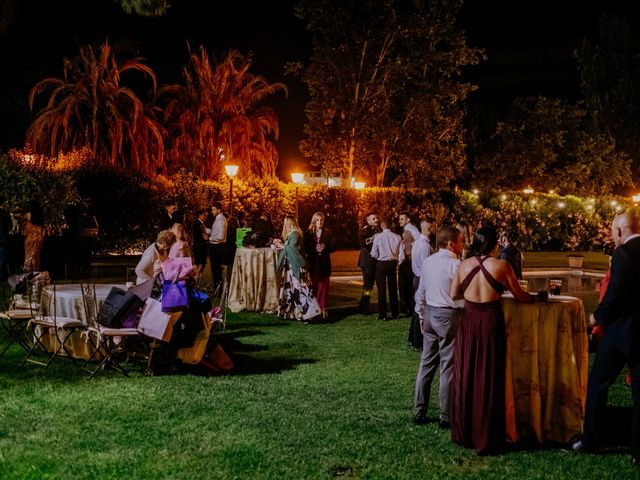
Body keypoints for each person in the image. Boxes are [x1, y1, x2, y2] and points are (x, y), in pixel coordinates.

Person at [449, 226, 546, 455]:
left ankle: (466, 431)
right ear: (494, 245)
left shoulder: (464, 265)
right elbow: (520, 296)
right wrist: (538, 297)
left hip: (470, 322)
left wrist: (471, 293)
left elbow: (454, 294)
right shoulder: (502, 266)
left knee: (468, 372)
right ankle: (487, 433)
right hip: (491, 322)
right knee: (489, 374)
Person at [572, 209, 640, 465]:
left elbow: (615, 293)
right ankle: (637, 451)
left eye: (612, 232)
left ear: (620, 230)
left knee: (599, 383)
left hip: (621, 331)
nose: (612, 237)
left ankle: (591, 440)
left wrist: (597, 317)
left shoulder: (623, 253)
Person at [413, 226, 465, 428]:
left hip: (430, 312)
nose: (462, 244)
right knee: (448, 365)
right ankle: (446, 415)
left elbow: (421, 290)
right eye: (460, 241)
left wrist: (421, 313)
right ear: (451, 243)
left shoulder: (428, 262)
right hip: (448, 314)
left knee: (426, 363)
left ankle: (419, 409)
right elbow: (461, 295)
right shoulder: (456, 265)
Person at [275, 215, 320, 322]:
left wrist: (282, 246)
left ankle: (310, 313)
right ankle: (293, 313)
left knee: (302, 290)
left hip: (296, 267)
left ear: (288, 224)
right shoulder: (293, 234)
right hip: (291, 267)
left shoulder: (295, 234)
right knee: (293, 291)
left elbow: (293, 249)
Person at [409, 217, 436, 349]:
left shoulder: (417, 243)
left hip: (417, 277)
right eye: (434, 228)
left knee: (416, 309)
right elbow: (427, 265)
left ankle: (412, 339)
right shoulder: (424, 245)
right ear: (429, 229)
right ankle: (417, 341)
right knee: (421, 310)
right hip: (421, 278)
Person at [370, 216, 404, 321]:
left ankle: (383, 314)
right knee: (393, 289)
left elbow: (373, 253)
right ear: (390, 226)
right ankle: (395, 313)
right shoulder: (397, 237)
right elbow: (401, 254)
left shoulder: (378, 237)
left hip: (381, 263)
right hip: (392, 263)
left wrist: (378, 256)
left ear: (382, 226)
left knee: (381, 290)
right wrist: (398, 261)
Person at [304, 212, 334, 319]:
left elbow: (333, 246)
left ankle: (323, 308)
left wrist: (324, 248)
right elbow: (305, 248)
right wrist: (314, 249)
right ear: (314, 221)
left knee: (323, 286)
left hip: (324, 263)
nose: (319, 222)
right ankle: (313, 309)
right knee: (313, 286)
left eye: (321, 220)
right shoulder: (308, 233)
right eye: (317, 220)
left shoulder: (327, 233)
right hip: (313, 263)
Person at [357, 213, 380, 314]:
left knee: (370, 285)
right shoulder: (365, 230)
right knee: (367, 286)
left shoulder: (379, 229)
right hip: (367, 261)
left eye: (376, 218)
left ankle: (366, 305)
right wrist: (373, 238)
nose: (376, 220)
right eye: (373, 218)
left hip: (375, 261)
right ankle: (364, 306)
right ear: (368, 221)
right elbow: (363, 242)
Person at [398, 212, 421, 316]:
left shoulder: (408, 230)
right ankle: (410, 306)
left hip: (409, 260)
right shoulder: (412, 229)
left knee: (407, 285)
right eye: (399, 219)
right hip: (412, 259)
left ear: (408, 220)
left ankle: (409, 308)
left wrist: (407, 259)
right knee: (410, 285)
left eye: (402, 219)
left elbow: (408, 247)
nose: (400, 221)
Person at [208, 203, 227, 293]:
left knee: (216, 270)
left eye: (214, 209)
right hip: (216, 247)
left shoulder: (220, 220)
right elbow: (216, 232)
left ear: (219, 210)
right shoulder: (219, 219)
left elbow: (220, 237)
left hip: (217, 247)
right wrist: (207, 230)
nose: (212, 211)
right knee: (215, 270)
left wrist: (209, 238)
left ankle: (218, 291)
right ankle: (217, 290)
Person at [22, 203, 45, 272]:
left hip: (30, 237)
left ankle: (28, 271)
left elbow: (21, 220)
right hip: (39, 237)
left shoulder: (28, 214)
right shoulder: (40, 215)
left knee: (28, 255)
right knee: (36, 256)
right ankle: (36, 271)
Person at [191, 208, 209, 284]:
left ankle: (196, 279)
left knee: (199, 263)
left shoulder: (200, 224)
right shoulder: (198, 224)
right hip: (199, 247)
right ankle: (194, 278)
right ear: (200, 215)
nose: (205, 217)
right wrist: (207, 237)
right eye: (204, 215)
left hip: (200, 246)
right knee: (200, 264)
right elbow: (205, 236)